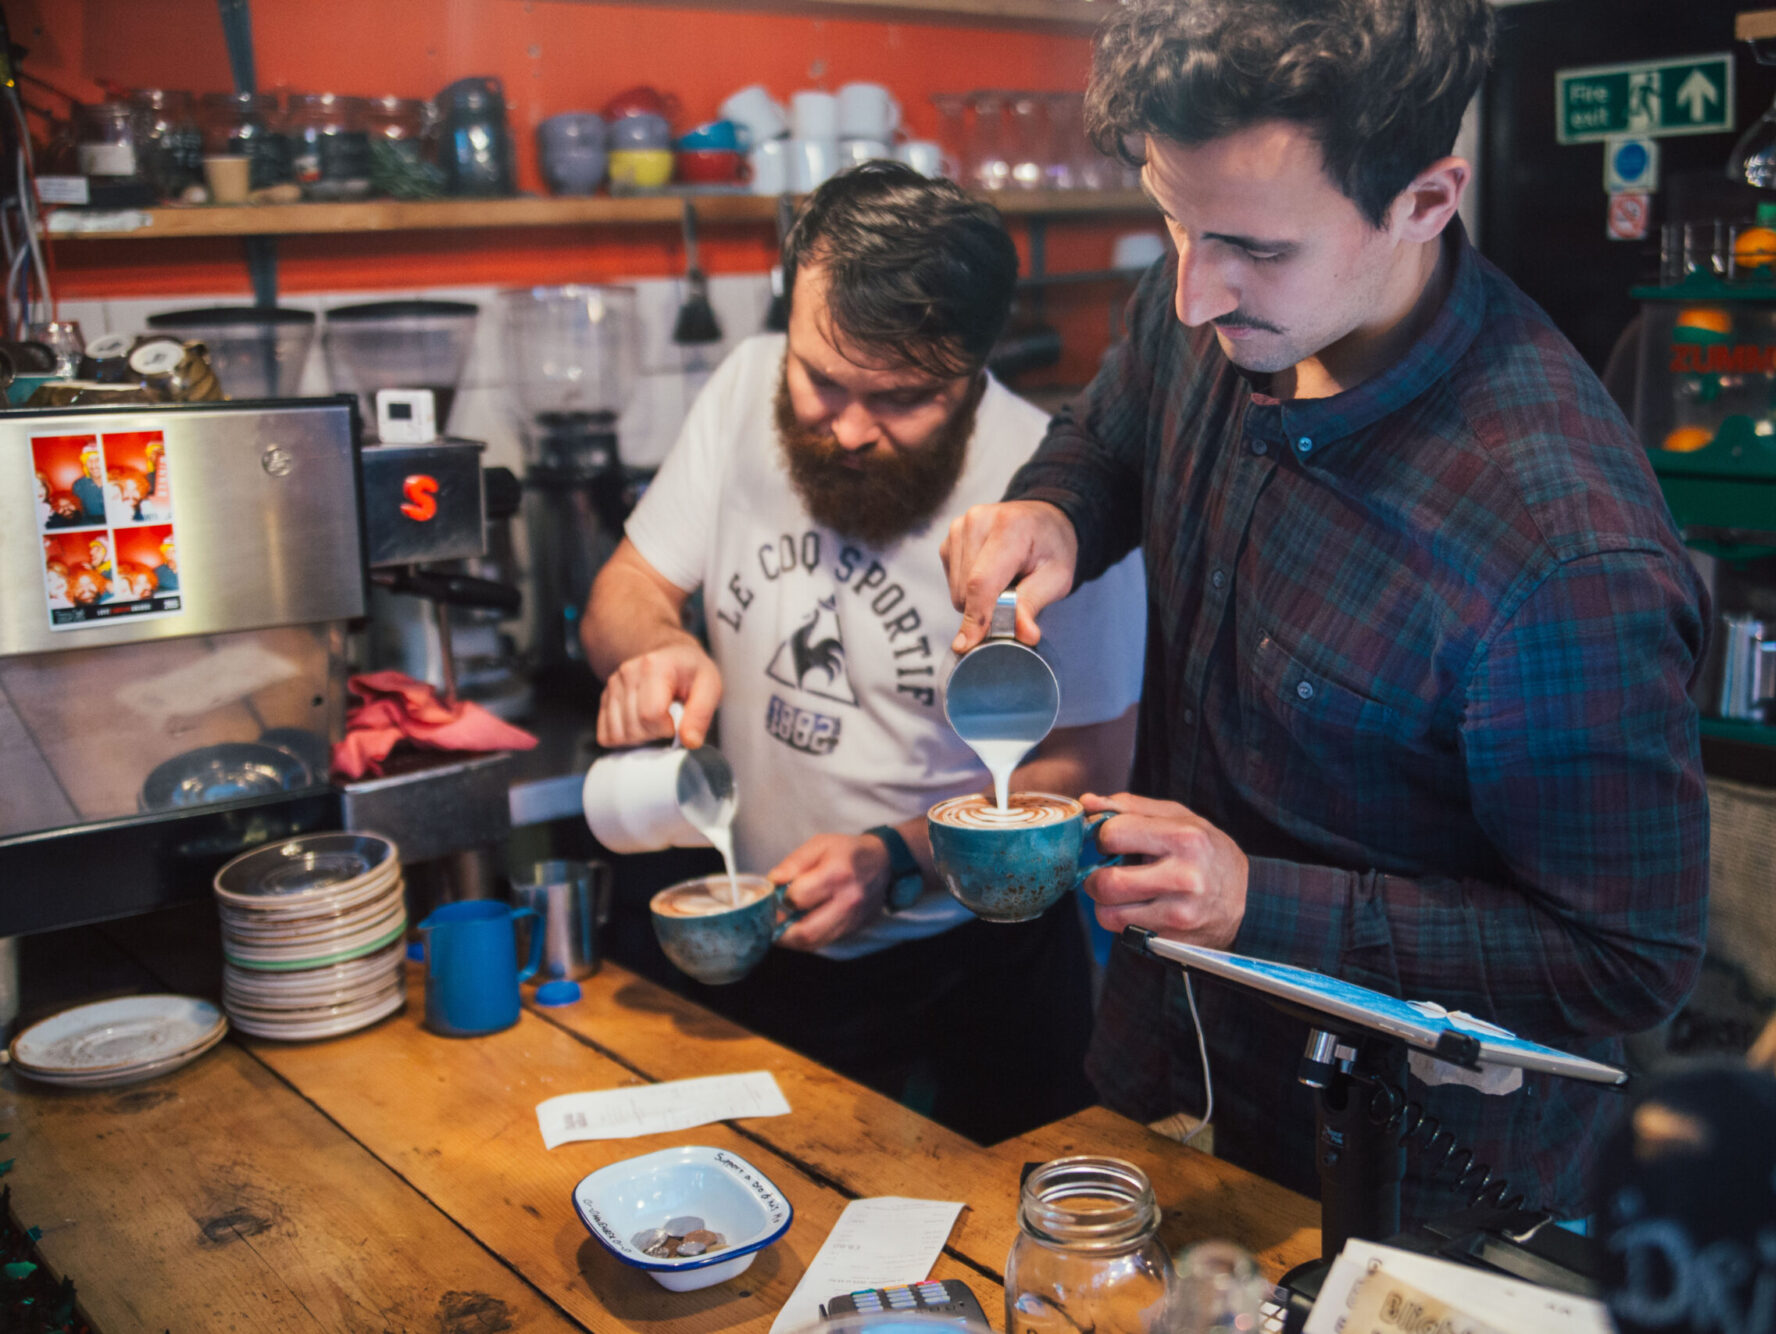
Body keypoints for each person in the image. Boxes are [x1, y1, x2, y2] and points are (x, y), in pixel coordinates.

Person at [939, 0, 1709, 1223]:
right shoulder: (1211, 289)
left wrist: (1259, 903)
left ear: (1423, 199)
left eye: (1252, 247)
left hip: (1403, 1177)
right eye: (1170, 219)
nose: (1192, 292)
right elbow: (1109, 436)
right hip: (1166, 1068)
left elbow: (1627, 958)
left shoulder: (1557, 547)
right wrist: (1057, 512)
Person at [579, 164, 1147, 1144]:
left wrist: (895, 856)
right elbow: (620, 595)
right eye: (821, 380)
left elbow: (1089, 766)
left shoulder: (1047, 503)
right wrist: (654, 648)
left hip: (972, 964)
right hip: (760, 943)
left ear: (972, 366)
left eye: (898, 399)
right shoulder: (743, 390)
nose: (843, 427)